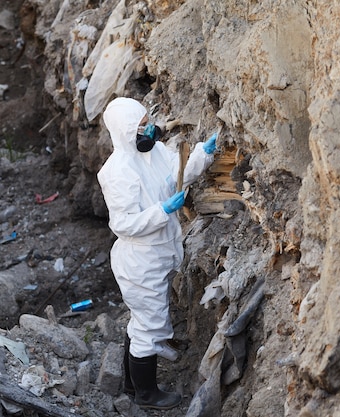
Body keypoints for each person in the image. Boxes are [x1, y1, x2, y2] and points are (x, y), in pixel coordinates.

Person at [97, 97, 218, 410]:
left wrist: (205, 153)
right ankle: (147, 394)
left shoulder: (155, 153)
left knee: (141, 323)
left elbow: (178, 176)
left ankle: (130, 384)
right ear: (124, 131)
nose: (148, 129)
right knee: (148, 326)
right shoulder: (117, 172)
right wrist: (161, 211)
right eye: (140, 126)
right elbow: (123, 224)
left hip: (160, 251)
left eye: (147, 121)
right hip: (140, 260)